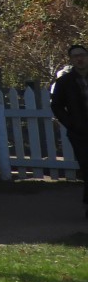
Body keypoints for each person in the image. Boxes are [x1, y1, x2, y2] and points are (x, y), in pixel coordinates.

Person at [48, 43, 88, 218]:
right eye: (75, 56)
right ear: (71, 60)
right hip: (80, 132)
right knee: (87, 168)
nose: (79, 58)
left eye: (82, 55)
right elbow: (56, 106)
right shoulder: (65, 82)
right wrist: (71, 124)